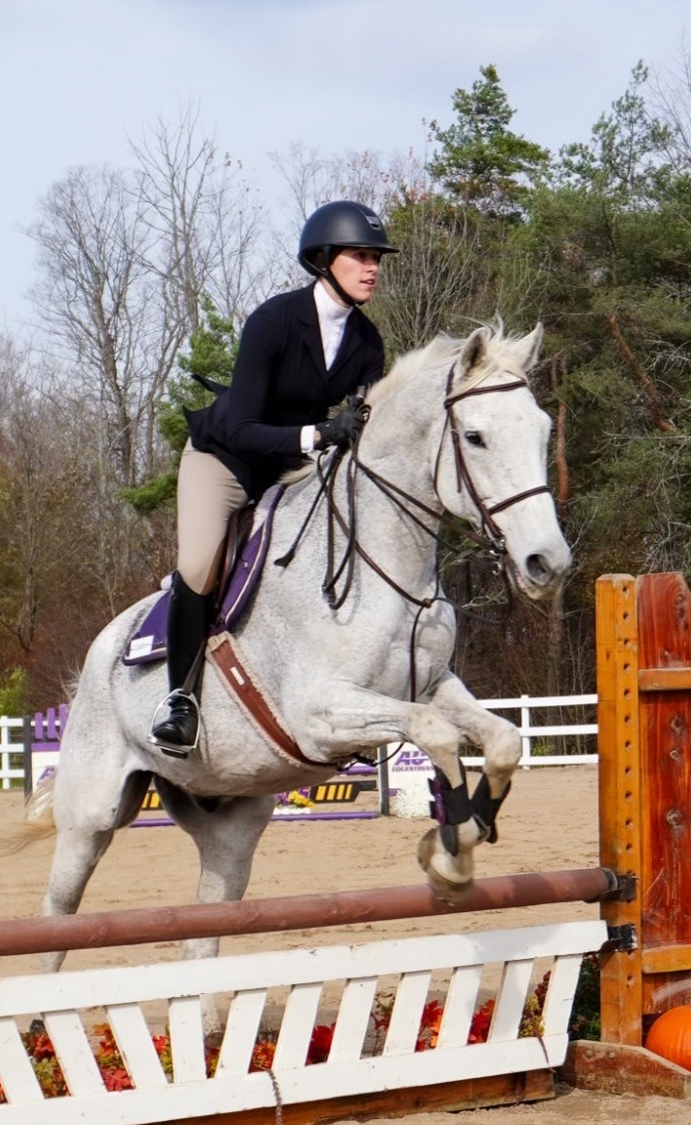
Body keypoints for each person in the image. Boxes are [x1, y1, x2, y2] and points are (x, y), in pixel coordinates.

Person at [151, 200, 397, 756]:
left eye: (376, 258)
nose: (372, 267)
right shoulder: (273, 321)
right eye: (360, 256)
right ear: (325, 259)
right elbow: (241, 428)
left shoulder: (367, 342)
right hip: (226, 459)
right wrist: (317, 435)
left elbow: (357, 427)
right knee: (198, 562)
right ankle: (180, 701)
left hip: (290, 469)